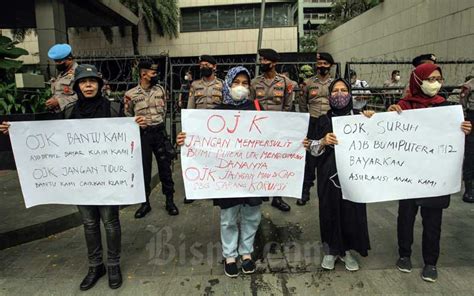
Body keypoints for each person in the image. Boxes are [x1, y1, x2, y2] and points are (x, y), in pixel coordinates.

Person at [1, 64, 147, 291]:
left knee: (110, 222)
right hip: (82, 181)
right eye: (83, 82)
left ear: (99, 85)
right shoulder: (69, 112)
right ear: (77, 86)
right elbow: (46, 134)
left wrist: (138, 126)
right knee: (89, 224)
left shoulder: (115, 109)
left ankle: (114, 264)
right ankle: (95, 265)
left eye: (92, 81)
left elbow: (131, 140)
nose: (88, 85)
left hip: (108, 179)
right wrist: (13, 130)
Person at [176, 66, 270, 278]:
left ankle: (246, 253)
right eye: (236, 82)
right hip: (226, 176)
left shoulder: (257, 107)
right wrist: (184, 140)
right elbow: (201, 138)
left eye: (245, 83)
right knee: (229, 216)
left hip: (251, 172)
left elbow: (272, 136)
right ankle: (229, 255)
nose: (241, 87)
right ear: (227, 84)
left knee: (252, 215)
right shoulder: (216, 112)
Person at [387, 63, 472, 283]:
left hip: (435, 175)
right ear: (418, 80)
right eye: (430, 78)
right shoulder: (402, 106)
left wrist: (463, 130)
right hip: (408, 173)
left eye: (438, 79)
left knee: (433, 220)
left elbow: (455, 140)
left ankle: (430, 262)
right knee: (405, 216)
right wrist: (388, 117)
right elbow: (387, 135)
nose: (434, 83)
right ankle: (404, 255)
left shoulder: (447, 108)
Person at [304, 78, 372, 272]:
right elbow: (312, 149)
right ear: (329, 95)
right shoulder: (323, 120)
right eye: (335, 91)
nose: (339, 94)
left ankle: (347, 250)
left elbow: (376, 139)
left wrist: (371, 120)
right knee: (329, 210)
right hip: (329, 175)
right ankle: (331, 250)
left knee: (351, 212)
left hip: (354, 175)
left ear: (350, 94)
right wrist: (324, 141)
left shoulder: (360, 117)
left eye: (343, 90)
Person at [124, 61, 179, 218]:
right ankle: (145, 203)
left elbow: (164, 112)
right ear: (143, 74)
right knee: (144, 170)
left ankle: (170, 201)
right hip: (144, 135)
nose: (156, 75)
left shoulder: (161, 90)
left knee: (165, 169)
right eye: (153, 73)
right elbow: (127, 116)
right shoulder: (131, 94)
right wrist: (136, 123)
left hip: (159, 133)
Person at [251, 48, 294, 212]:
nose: (262, 63)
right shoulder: (255, 82)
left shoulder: (284, 82)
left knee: (277, 163)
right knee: (260, 161)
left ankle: (277, 197)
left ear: (274, 63)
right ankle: (261, 192)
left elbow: (288, 105)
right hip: (260, 129)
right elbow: (251, 103)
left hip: (277, 129)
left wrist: (283, 127)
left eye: (265, 61)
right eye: (261, 60)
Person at [298, 52, 335, 206]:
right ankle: (305, 191)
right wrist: (306, 120)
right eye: (319, 64)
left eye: (325, 64)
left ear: (330, 66)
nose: (322, 66)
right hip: (312, 122)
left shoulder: (335, 84)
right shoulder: (308, 83)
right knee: (309, 158)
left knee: (329, 157)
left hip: (329, 122)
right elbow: (302, 103)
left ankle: (329, 190)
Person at [46, 43, 79, 112]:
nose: (57, 64)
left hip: (72, 113)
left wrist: (59, 102)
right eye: (55, 61)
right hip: (60, 113)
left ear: (70, 59)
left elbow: (82, 96)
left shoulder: (79, 72)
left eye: (59, 61)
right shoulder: (63, 73)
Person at [460, 76, 474, 202]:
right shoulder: (469, 85)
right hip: (472, 117)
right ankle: (469, 189)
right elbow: (463, 102)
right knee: (471, 154)